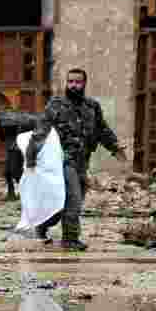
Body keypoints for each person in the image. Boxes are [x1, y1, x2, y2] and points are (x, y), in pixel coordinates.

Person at [25, 68, 126, 250]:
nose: (73, 85)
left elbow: (102, 130)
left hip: (82, 162)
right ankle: (70, 239)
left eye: (77, 82)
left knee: (65, 203)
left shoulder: (92, 106)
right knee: (73, 199)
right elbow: (40, 131)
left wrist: (115, 148)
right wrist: (31, 158)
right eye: (70, 81)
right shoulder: (56, 105)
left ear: (84, 84)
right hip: (62, 161)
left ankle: (42, 224)